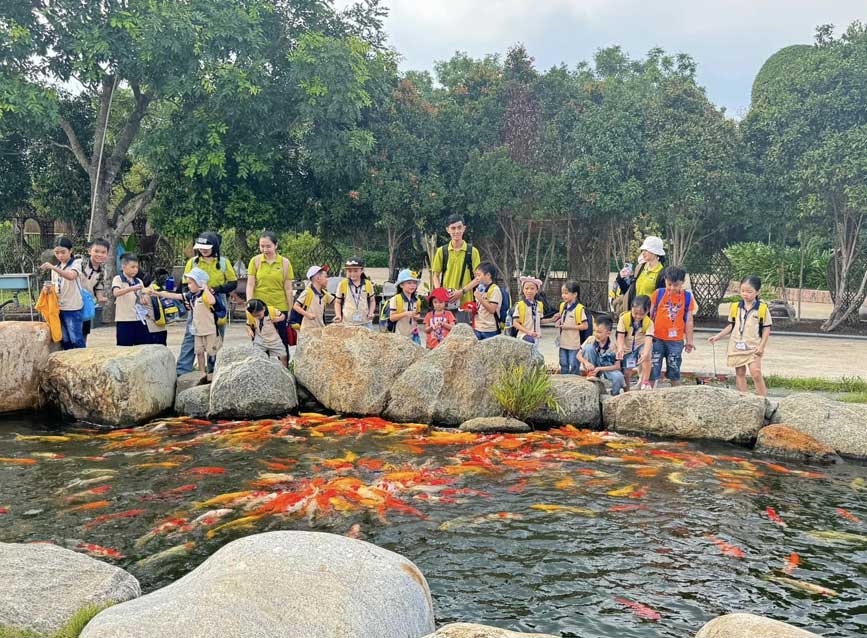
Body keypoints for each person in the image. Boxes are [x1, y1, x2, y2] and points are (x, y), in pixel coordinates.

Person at [176, 232, 237, 376]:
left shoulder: (223, 262)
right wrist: (187, 300)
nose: (203, 250)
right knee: (192, 333)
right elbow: (185, 284)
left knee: (216, 334)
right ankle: (183, 371)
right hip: (197, 300)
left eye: (207, 247)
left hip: (216, 300)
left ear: (214, 247)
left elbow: (232, 283)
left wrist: (216, 289)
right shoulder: (193, 262)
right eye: (201, 247)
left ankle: (214, 369)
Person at [708, 275, 772, 396]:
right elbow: (731, 326)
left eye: (749, 291)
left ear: (757, 292)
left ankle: (763, 400)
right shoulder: (735, 307)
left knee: (756, 372)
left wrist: (762, 346)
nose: (745, 294)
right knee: (740, 373)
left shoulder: (762, 309)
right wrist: (718, 336)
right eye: (742, 291)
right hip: (736, 345)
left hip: (753, 346)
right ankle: (744, 398)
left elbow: (766, 329)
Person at [157, 268, 220, 381]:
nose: (188, 285)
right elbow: (176, 296)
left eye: (191, 283)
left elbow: (212, 302)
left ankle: (213, 373)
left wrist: (205, 287)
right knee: (199, 352)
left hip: (209, 330)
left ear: (199, 282)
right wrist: (157, 293)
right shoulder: (191, 296)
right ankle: (202, 374)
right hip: (197, 330)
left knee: (211, 353)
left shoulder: (206, 294)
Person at [245, 231, 295, 352]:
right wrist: (249, 306)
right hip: (260, 308)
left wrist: (290, 310)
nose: (265, 249)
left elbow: (288, 288)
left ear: (276, 245)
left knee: (282, 343)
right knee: (259, 343)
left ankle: (284, 369)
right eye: (262, 246)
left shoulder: (285, 263)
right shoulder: (255, 261)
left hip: (279, 306)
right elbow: (250, 285)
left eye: (268, 246)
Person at [649, 266, 697, 388]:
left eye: (675, 285)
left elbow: (689, 321)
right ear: (665, 279)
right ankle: (649, 392)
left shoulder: (687, 297)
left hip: (676, 341)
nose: (671, 288)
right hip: (656, 339)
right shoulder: (658, 294)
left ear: (682, 282)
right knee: (653, 368)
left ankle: (675, 392)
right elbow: (649, 316)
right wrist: (646, 336)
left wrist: (689, 341)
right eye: (669, 284)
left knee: (674, 368)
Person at [431, 214, 482, 323]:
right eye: (453, 228)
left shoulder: (472, 252)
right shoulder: (441, 251)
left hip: (465, 304)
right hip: (445, 304)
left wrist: (462, 292)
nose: (456, 231)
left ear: (464, 228)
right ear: (447, 230)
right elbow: (435, 275)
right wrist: (440, 293)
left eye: (459, 227)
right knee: (444, 335)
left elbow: (478, 278)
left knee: (463, 336)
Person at [39, 236, 85, 349]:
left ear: (71, 251)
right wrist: (47, 289)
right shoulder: (56, 267)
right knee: (65, 339)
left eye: (63, 252)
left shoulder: (76, 263)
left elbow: (71, 276)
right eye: (57, 253)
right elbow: (55, 288)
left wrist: (53, 268)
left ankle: (82, 362)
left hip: (73, 307)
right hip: (59, 308)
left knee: (76, 339)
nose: (60, 256)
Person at [613, 237, 666, 314]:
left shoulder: (663, 274)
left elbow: (661, 300)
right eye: (642, 250)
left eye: (646, 250)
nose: (643, 253)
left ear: (655, 252)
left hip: (649, 316)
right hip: (634, 313)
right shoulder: (640, 268)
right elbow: (628, 290)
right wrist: (620, 278)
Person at [578, 315, 625, 396]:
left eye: (599, 332)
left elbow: (617, 366)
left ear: (608, 333)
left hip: (606, 368)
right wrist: (586, 362)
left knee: (619, 377)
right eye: (595, 331)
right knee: (588, 348)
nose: (596, 334)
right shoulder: (590, 339)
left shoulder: (614, 346)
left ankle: (614, 395)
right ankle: (591, 374)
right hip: (592, 367)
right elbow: (578, 355)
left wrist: (600, 368)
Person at [112, 253, 152, 346]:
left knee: (143, 347)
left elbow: (142, 295)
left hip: (140, 319)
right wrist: (132, 288)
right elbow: (116, 292)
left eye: (137, 267)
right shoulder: (118, 279)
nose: (135, 270)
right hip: (124, 320)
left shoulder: (138, 281)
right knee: (124, 349)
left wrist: (145, 298)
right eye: (132, 267)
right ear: (123, 267)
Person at [549, 281, 588, 375]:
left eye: (566, 293)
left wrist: (568, 327)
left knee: (574, 365)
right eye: (562, 293)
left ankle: (574, 385)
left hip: (574, 344)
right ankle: (564, 383)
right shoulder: (563, 305)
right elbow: (562, 317)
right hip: (563, 343)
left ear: (575, 294)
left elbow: (585, 326)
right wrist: (558, 321)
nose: (563, 295)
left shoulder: (579, 309)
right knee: (563, 364)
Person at [616, 295, 654, 391]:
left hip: (641, 344)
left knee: (647, 356)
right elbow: (620, 336)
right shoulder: (624, 318)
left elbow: (649, 339)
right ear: (631, 308)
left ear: (647, 311)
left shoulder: (649, 323)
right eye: (635, 313)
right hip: (628, 346)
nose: (638, 316)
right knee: (627, 371)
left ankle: (645, 381)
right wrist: (620, 348)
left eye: (641, 314)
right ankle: (627, 390)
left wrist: (645, 353)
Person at [79, 238, 109, 343]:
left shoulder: (102, 271)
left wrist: (101, 297)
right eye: (96, 251)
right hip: (73, 302)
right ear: (89, 251)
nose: (99, 254)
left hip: (87, 303)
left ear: (107, 254)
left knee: (84, 331)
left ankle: (82, 352)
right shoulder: (80, 264)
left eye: (103, 252)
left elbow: (99, 287)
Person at [246, 298, 289, 368]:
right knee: (258, 357)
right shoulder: (250, 316)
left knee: (283, 355)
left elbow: (283, 316)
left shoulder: (271, 311)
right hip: (260, 340)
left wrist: (278, 319)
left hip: (274, 339)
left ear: (263, 309)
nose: (257, 317)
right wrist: (250, 331)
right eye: (255, 316)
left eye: (259, 315)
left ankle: (285, 370)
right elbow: (248, 325)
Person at [334, 257, 376, 327]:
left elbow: (372, 301)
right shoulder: (343, 284)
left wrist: (371, 312)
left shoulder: (368, 284)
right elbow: (338, 302)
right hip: (347, 323)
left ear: (362, 270)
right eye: (349, 271)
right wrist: (338, 315)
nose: (352, 273)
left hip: (365, 322)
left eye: (356, 271)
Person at [291, 265, 333, 332]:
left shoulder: (325, 294)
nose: (327, 280)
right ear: (318, 278)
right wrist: (307, 314)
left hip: (320, 328)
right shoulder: (307, 292)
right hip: (308, 329)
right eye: (325, 277)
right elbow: (296, 306)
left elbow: (337, 301)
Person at [388, 269, 422, 343]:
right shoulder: (395, 299)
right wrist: (405, 314)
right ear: (401, 285)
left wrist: (417, 317)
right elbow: (392, 318)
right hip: (399, 336)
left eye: (414, 283)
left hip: (413, 336)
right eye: (409, 283)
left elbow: (417, 314)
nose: (412, 285)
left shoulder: (417, 300)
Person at [511, 276, 545, 347]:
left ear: (536, 290)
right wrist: (528, 332)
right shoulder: (520, 305)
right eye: (526, 288)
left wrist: (553, 319)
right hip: (523, 336)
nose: (529, 291)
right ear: (523, 290)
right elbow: (515, 323)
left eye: (532, 288)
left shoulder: (539, 305)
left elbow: (540, 321)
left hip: (536, 337)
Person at [472, 262, 502, 340]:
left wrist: (480, 298)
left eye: (479, 275)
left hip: (490, 329)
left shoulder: (495, 289)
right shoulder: (480, 288)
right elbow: (479, 307)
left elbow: (492, 309)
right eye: (476, 275)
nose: (477, 278)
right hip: (478, 327)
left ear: (488, 275)